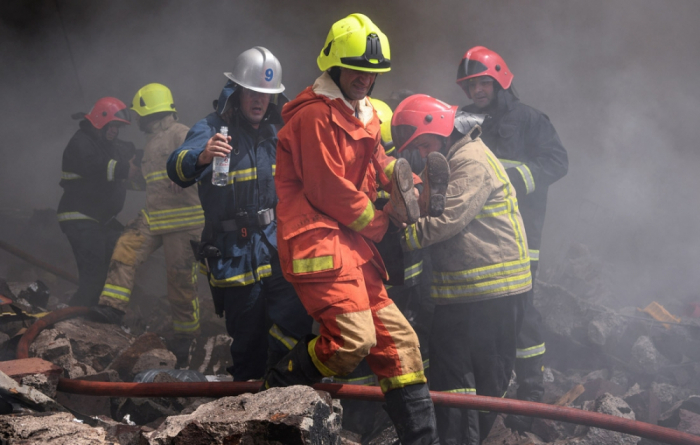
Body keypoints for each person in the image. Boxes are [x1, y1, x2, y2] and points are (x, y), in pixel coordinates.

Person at [261, 14, 440, 445]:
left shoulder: (363, 117)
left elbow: (378, 166)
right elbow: (327, 188)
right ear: (335, 65)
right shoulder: (311, 116)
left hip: (354, 251)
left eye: (374, 72)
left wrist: (410, 186)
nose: (366, 79)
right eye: (358, 68)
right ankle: (272, 394)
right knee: (351, 340)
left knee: (402, 346)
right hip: (320, 243)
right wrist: (381, 222)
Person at [166, 47, 313, 381]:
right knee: (247, 342)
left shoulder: (279, 132)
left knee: (296, 323)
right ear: (236, 92)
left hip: (276, 247)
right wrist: (201, 157)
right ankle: (247, 405)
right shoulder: (212, 128)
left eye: (266, 94)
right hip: (234, 254)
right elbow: (176, 166)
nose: (260, 100)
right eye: (252, 92)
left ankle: (285, 391)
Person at [393, 94, 531, 444]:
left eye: (424, 145)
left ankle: (475, 439)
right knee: (455, 377)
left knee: (483, 381)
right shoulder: (452, 158)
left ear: (441, 130)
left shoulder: (470, 161)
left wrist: (400, 239)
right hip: (467, 293)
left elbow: (447, 219)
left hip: (491, 291)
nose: (423, 155)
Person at [456, 46, 568, 432]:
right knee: (483, 311)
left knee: (521, 310)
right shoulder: (463, 121)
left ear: (501, 80)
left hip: (521, 236)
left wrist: (515, 180)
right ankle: (488, 387)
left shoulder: (531, 120)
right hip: (478, 238)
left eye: (483, 82)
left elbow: (557, 161)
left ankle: (532, 388)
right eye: (470, 85)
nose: (477, 91)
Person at [91, 84, 204, 366]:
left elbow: (207, 160)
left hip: (184, 222)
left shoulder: (181, 132)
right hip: (155, 216)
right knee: (127, 246)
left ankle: (185, 339)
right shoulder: (153, 142)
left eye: (139, 113)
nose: (137, 119)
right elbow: (151, 182)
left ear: (149, 110)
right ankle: (112, 309)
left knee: (180, 283)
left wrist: (187, 174)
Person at [58, 97, 140, 308]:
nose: (114, 131)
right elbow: (95, 166)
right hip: (80, 217)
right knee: (93, 277)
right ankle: (73, 320)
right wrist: (124, 169)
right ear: (98, 121)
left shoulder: (104, 144)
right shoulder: (81, 143)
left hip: (100, 220)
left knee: (117, 257)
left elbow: (124, 157)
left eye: (117, 127)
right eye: (111, 126)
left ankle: (99, 314)